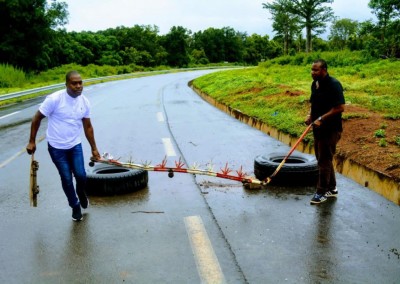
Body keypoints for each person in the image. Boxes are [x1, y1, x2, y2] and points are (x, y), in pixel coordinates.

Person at [26, 71, 101, 221]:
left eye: (80, 83)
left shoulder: (84, 102)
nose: (78, 86)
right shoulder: (54, 99)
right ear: (66, 84)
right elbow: (36, 118)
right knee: (66, 178)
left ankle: (80, 191)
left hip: (75, 145)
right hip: (56, 148)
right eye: (74, 83)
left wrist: (94, 148)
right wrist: (32, 141)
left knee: (81, 175)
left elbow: (88, 127)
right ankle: (75, 205)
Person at [305, 59, 345, 205]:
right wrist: (310, 115)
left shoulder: (334, 85)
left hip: (331, 129)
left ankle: (321, 192)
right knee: (323, 158)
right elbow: (313, 103)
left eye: (315, 70)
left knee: (324, 160)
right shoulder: (315, 85)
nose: (312, 72)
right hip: (318, 128)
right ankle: (332, 188)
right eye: (312, 69)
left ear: (324, 70)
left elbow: (340, 107)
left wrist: (322, 118)